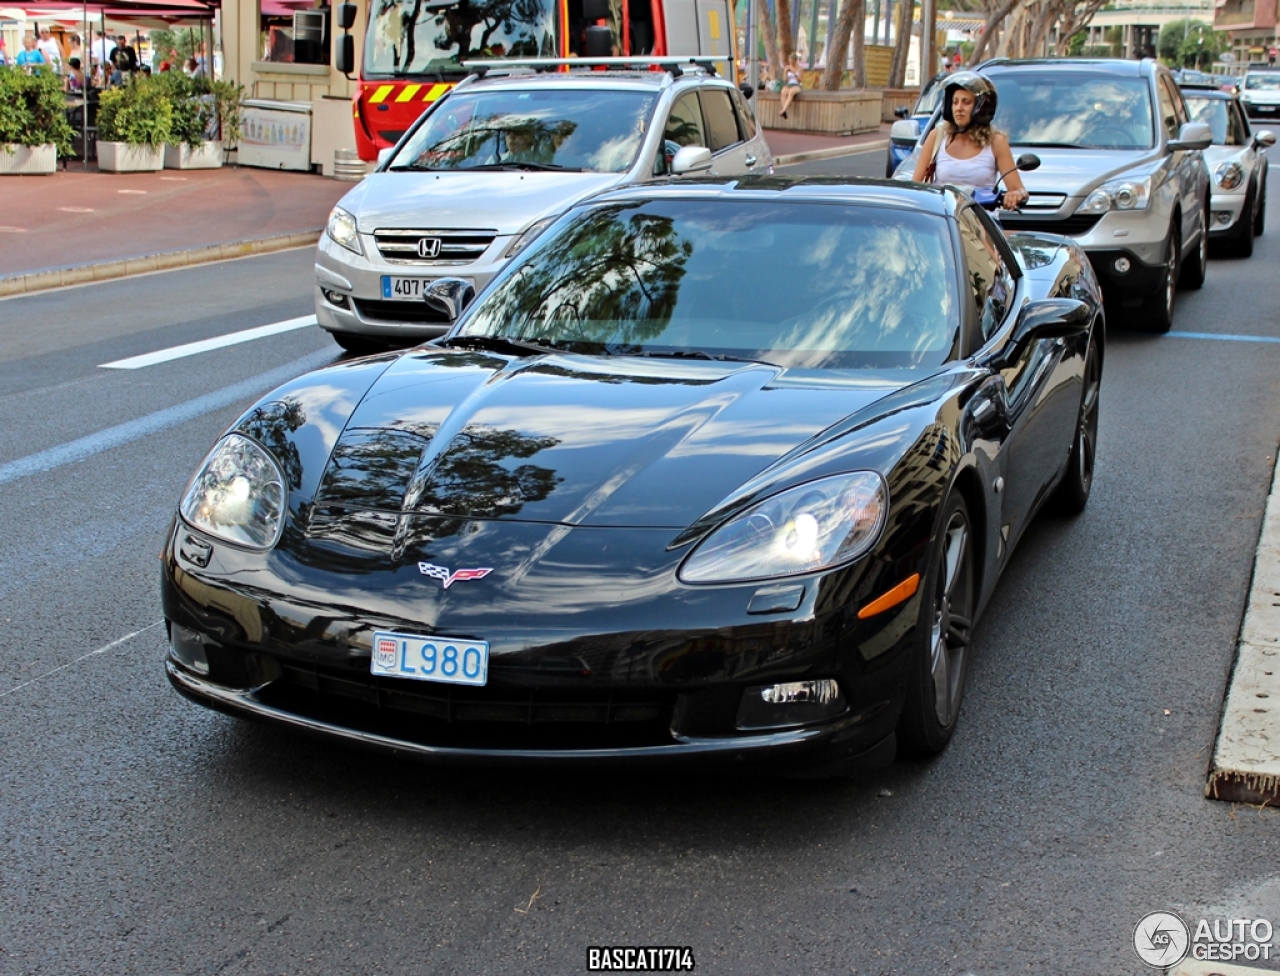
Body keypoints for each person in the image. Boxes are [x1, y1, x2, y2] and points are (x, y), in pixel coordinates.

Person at [912, 72, 1028, 210]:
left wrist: (1015, 195)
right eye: (955, 102)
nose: (959, 108)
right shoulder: (936, 137)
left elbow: (1019, 190)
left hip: (981, 223)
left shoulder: (996, 141)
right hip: (944, 222)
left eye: (966, 102)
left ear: (982, 107)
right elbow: (915, 188)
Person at [779, 53, 802, 120]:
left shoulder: (800, 69)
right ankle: (784, 111)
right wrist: (786, 73)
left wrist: (794, 73)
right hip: (789, 84)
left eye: (792, 62)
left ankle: (783, 110)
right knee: (783, 92)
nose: (791, 63)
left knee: (791, 92)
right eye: (790, 61)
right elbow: (785, 80)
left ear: (795, 61)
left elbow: (800, 80)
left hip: (797, 84)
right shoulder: (787, 67)